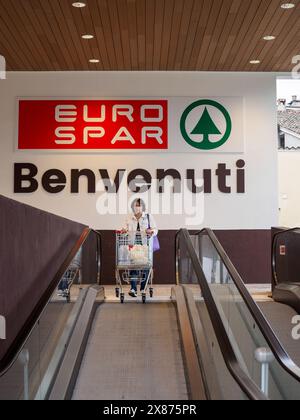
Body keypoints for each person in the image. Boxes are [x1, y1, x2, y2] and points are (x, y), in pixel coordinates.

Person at [122, 198, 158, 298]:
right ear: (133, 207)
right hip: (133, 246)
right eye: (135, 205)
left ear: (143, 206)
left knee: (145, 266)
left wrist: (151, 231)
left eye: (139, 205)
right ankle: (133, 288)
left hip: (146, 246)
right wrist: (124, 232)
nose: (137, 207)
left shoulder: (148, 216)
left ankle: (143, 288)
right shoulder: (129, 218)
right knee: (134, 266)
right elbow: (124, 231)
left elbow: (156, 230)